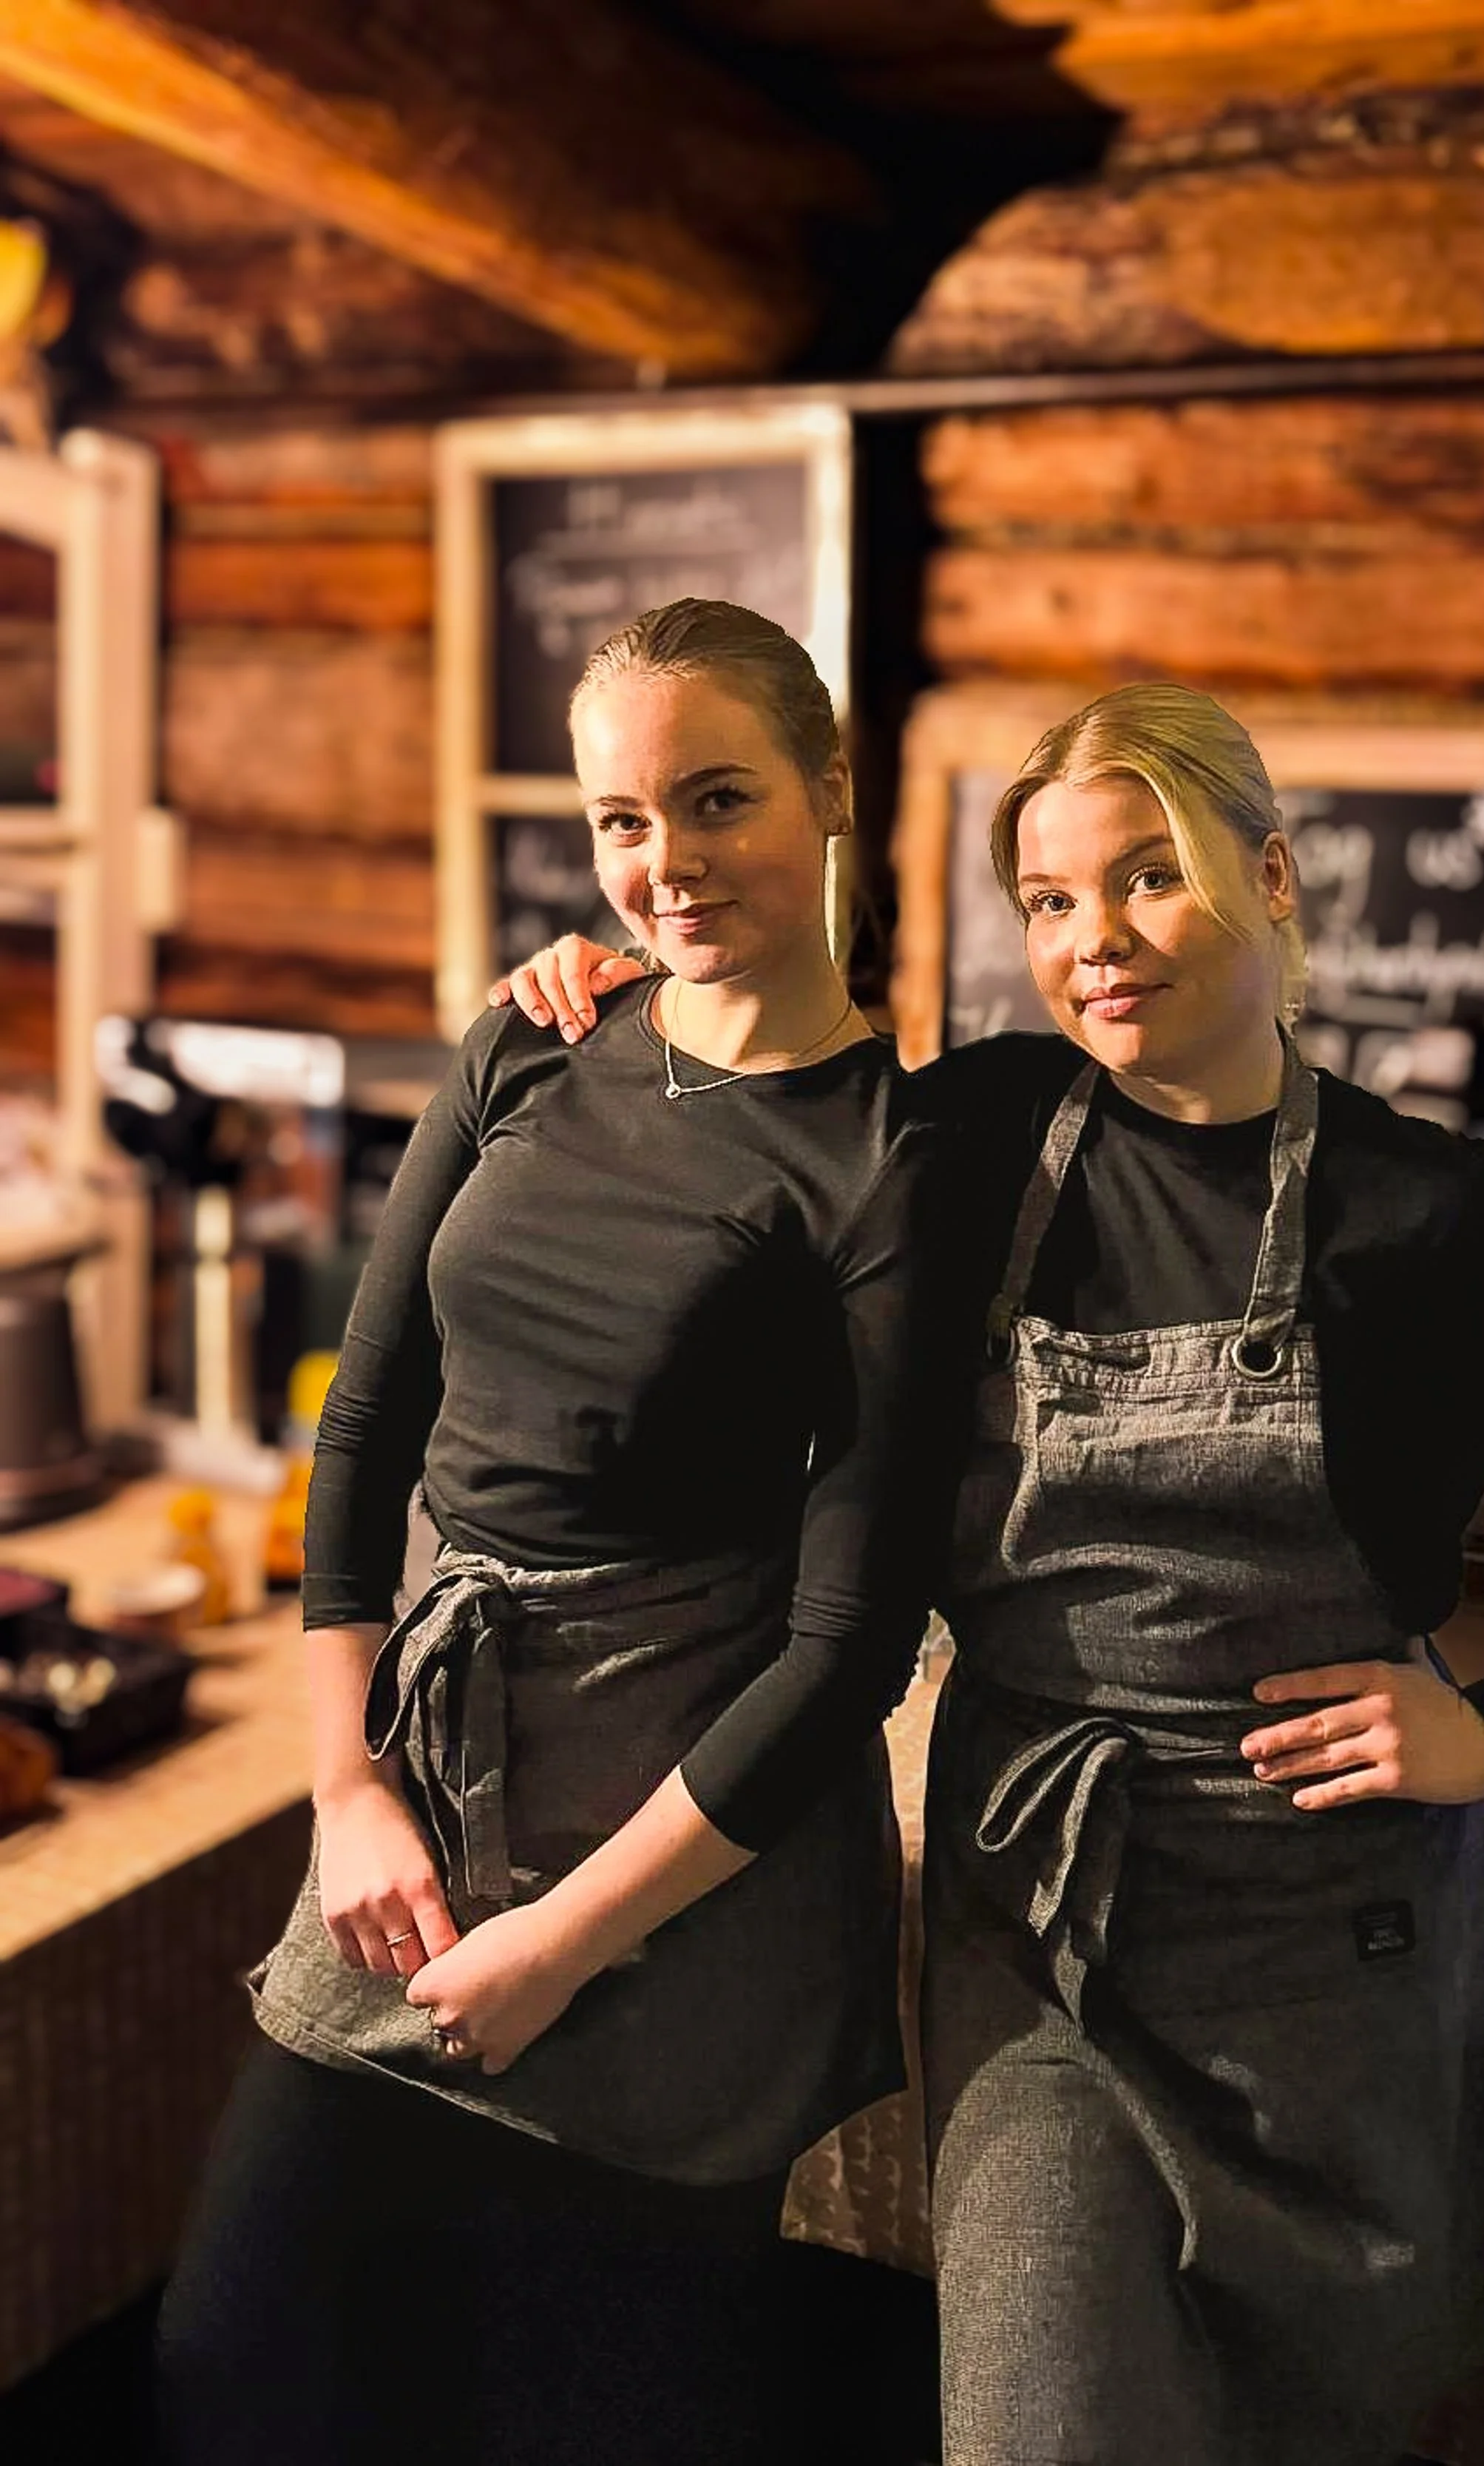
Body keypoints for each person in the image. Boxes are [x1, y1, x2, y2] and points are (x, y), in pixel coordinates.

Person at [490, 679, 1484, 2466]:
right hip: (1035, 1923)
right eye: (1046, 899)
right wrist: (617, 1006)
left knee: (1308, 2419)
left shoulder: (1434, 1222)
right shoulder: (971, 1140)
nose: (1092, 939)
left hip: (1330, 1958)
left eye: (1146, 876)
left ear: (1267, 876)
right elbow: (741, 1142)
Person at [157, 599, 949, 2466]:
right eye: (619, 818)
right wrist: (344, 1783)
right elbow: (366, 1421)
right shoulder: (528, 1044)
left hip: (680, 1877)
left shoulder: (889, 1161)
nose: (664, 862)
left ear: (831, 791)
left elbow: (848, 1643)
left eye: (717, 797)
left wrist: (567, 1944)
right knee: (235, 2368)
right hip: (423, 1801)